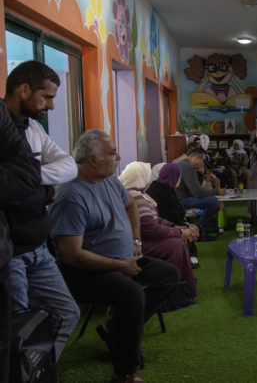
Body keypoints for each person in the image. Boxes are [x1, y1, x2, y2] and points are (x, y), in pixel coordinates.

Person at [49, 130, 179, 383]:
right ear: (93, 160)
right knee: (132, 294)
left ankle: (116, 329)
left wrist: (135, 241)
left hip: (123, 260)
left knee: (168, 274)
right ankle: (125, 373)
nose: (118, 157)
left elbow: (130, 205)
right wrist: (120, 266)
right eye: (112, 152)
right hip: (85, 271)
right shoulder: (71, 196)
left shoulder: (108, 179)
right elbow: (71, 255)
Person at [4, 61, 80, 361]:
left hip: (39, 247)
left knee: (66, 314)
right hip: (10, 253)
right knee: (15, 331)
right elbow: (8, 190)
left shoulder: (34, 128)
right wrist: (45, 189)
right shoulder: (3, 128)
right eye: (46, 97)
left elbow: (69, 166)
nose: (50, 105)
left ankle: (36, 374)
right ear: (24, 90)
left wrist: (32, 179)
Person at [0, 97, 43, 383]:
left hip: (6, 252)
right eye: (47, 96)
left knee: (10, 341)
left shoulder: (27, 126)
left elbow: (29, 170)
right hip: (15, 249)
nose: (50, 105)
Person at [119, 162, 198, 300]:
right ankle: (175, 291)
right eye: (146, 175)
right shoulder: (134, 196)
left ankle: (182, 286)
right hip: (137, 244)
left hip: (142, 240)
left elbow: (158, 218)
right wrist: (178, 232)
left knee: (179, 241)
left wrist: (174, 227)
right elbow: (150, 228)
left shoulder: (140, 193)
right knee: (176, 244)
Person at [176, 148, 223, 242]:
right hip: (181, 200)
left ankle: (199, 227)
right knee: (213, 201)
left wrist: (201, 174)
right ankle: (199, 233)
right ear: (197, 158)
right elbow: (198, 193)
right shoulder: (188, 168)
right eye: (203, 160)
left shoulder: (184, 164)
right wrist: (218, 192)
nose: (204, 163)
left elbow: (197, 188)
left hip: (181, 198)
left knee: (209, 200)